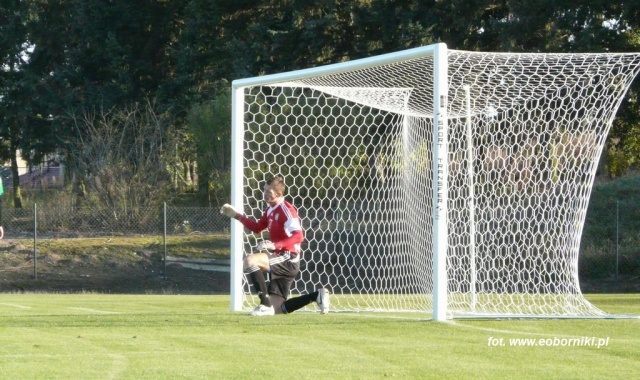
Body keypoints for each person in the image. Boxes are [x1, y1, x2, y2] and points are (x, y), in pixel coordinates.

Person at [220, 175, 329, 316]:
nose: (264, 194)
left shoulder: (287, 210)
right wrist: (237, 216)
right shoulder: (271, 208)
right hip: (281, 258)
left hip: (289, 258)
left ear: (279, 194)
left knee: (250, 260)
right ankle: (316, 296)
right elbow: (258, 228)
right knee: (278, 309)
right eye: (264, 190)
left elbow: (299, 236)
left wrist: (275, 245)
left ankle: (264, 305)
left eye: (268, 192)